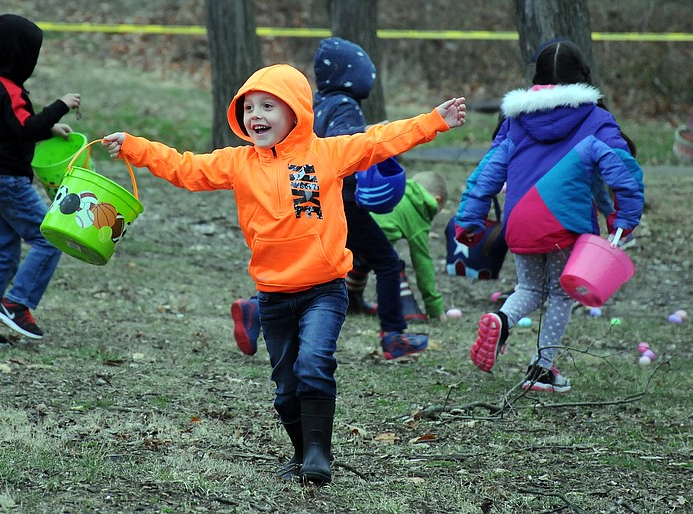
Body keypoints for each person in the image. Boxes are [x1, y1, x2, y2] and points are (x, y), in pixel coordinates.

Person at [101, 62, 466, 484]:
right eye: (249, 107)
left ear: (296, 111)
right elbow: (185, 168)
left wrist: (435, 120)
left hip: (325, 290)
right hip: (272, 296)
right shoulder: (238, 163)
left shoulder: (326, 154)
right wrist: (134, 146)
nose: (256, 116)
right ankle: (301, 454)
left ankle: (318, 456)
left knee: (313, 364)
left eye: (268, 106)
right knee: (285, 390)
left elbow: (380, 140)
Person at [454, 40, 643, 393]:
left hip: (521, 221)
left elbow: (488, 173)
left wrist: (470, 217)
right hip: (565, 224)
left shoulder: (515, 121)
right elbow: (623, 171)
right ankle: (542, 369)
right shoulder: (595, 119)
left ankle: (501, 319)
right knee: (560, 295)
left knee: (528, 287)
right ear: (581, 76)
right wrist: (625, 217)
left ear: (537, 77)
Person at [232, 38, 432, 361]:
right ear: (353, 75)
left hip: (322, 203)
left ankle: (266, 307)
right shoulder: (344, 105)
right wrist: (370, 139)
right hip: (343, 202)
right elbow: (344, 147)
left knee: (330, 260)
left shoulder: (318, 104)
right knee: (387, 261)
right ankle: (394, 335)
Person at [0, 14, 81, 347]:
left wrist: (48, 128)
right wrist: (59, 107)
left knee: (5, 253)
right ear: (21, 55)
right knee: (49, 238)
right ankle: (16, 303)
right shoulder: (9, 90)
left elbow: (13, 130)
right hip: (8, 182)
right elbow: (23, 127)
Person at [371, 171, 449, 322]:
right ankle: (405, 308)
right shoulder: (420, 210)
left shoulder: (397, 190)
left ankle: (353, 298)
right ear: (436, 200)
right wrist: (434, 307)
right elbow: (422, 263)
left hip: (352, 229)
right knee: (391, 265)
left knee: (363, 258)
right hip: (372, 238)